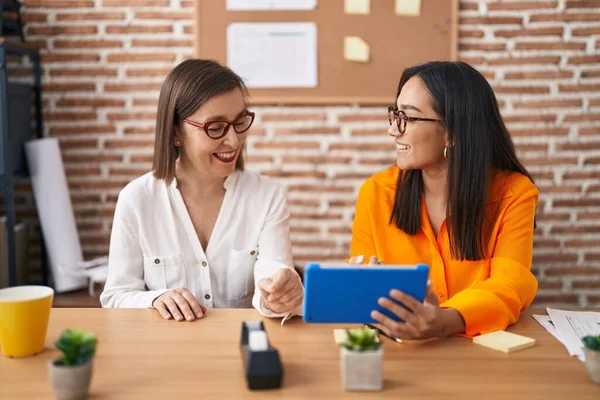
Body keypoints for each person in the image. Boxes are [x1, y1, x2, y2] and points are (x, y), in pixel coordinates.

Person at [100, 59, 304, 321]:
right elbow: (116, 296)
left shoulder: (267, 196)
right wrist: (154, 299)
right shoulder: (137, 199)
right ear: (176, 133)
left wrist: (279, 295)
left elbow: (273, 272)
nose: (233, 140)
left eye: (240, 121)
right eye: (216, 128)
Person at [350, 61, 538, 339]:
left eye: (409, 118)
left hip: (482, 355)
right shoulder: (376, 192)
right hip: (400, 352)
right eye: (395, 115)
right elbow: (363, 291)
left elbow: (510, 286)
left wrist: (444, 320)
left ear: (453, 132)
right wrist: (360, 287)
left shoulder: (514, 193)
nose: (393, 130)